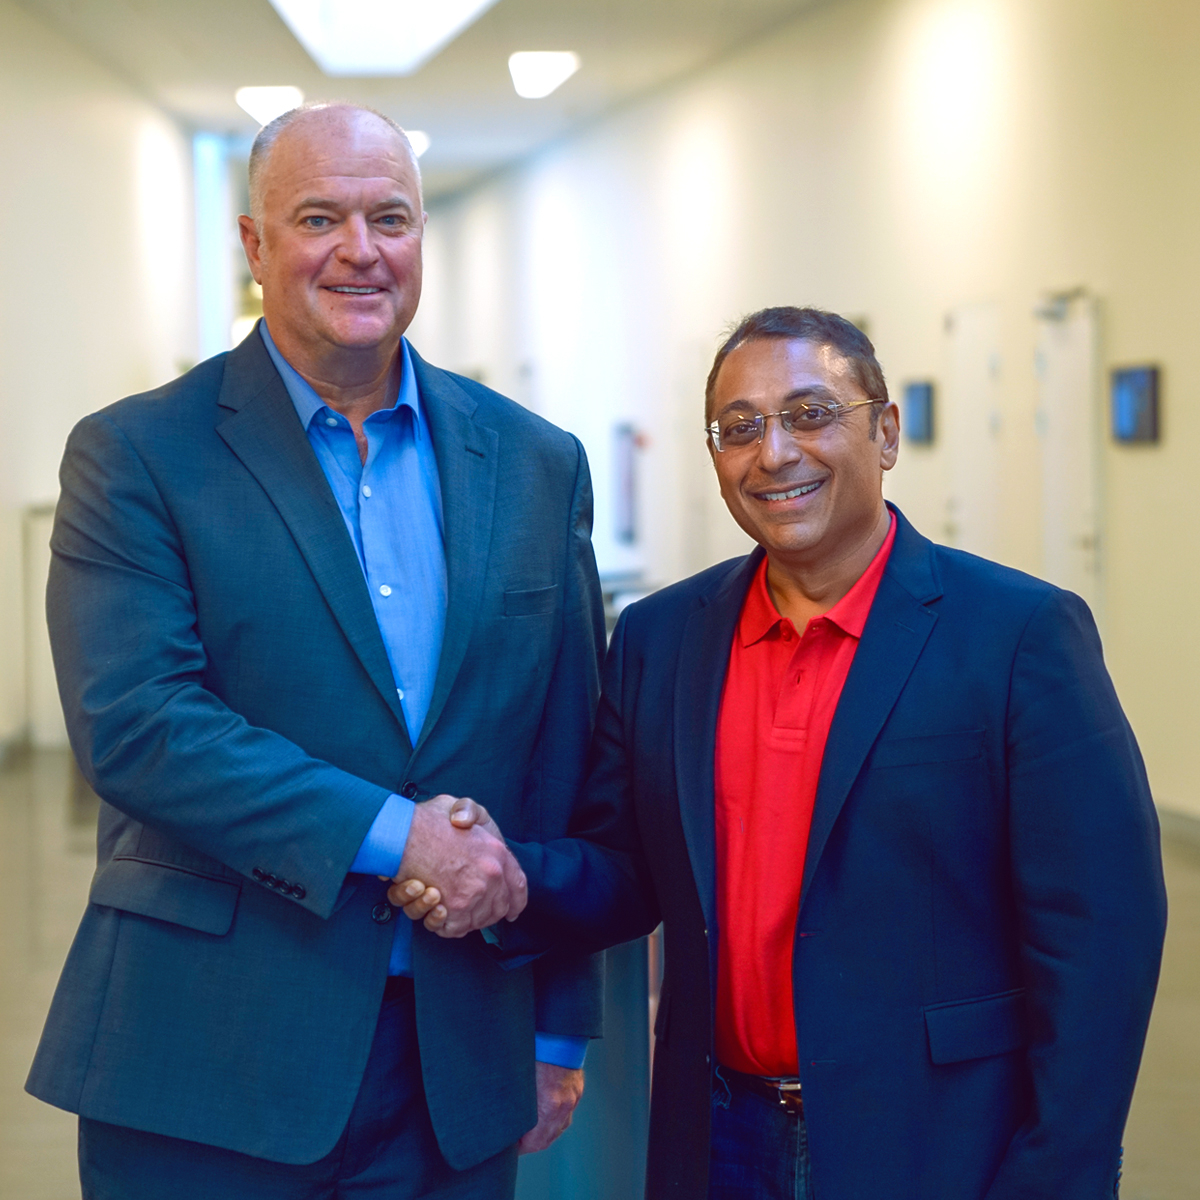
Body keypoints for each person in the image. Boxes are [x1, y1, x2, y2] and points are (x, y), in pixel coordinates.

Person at [398, 307, 1167, 1199]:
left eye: (810, 414)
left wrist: (1060, 1171)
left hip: (938, 1141)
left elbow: (1100, 933)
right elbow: (625, 866)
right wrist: (507, 875)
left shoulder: (1016, 635)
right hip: (720, 1132)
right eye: (738, 428)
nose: (773, 453)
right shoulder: (662, 640)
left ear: (886, 432)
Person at [27, 103, 606, 1199]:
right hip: (208, 1054)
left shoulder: (535, 462)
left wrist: (559, 1026)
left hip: (458, 1061)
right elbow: (136, 724)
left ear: (421, 236)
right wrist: (400, 837)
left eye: (389, 218)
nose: (359, 250)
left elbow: (565, 759)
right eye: (318, 218)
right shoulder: (138, 454)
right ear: (254, 246)